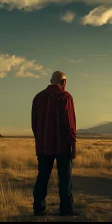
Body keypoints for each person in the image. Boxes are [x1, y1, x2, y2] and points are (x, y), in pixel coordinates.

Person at [31, 71, 77, 216]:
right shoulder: (65, 96)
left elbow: (34, 124)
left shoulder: (38, 97)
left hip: (43, 146)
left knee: (42, 177)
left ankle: (38, 209)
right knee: (64, 179)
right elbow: (69, 123)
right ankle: (66, 209)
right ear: (63, 82)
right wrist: (73, 145)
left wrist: (40, 140)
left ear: (51, 81)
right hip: (62, 146)